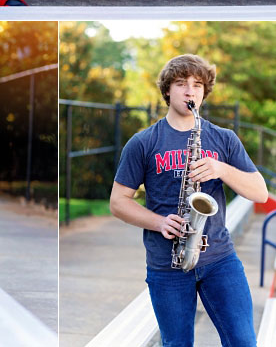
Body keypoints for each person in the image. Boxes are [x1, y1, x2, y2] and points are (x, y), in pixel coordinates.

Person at [109, 54, 268, 347]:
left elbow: (260, 192)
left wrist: (220, 168)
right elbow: (118, 202)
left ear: (204, 92)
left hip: (220, 259)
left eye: (197, 84)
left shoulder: (224, 138)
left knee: (243, 342)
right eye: (181, 83)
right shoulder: (143, 142)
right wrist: (159, 222)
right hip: (166, 264)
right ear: (167, 90)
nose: (189, 90)